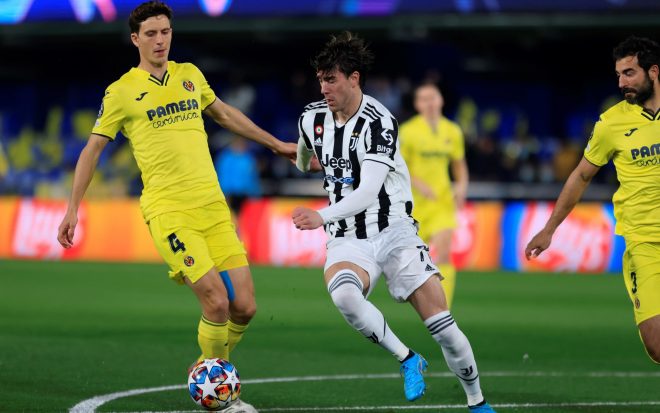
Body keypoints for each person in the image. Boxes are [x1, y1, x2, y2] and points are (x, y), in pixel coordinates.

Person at [56, 2, 296, 412]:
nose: (160, 40)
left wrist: (276, 144)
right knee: (216, 301)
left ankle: (205, 366)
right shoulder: (121, 92)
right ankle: (220, 396)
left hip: (213, 206)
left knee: (245, 306)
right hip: (170, 211)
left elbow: (223, 114)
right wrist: (72, 208)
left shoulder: (190, 75)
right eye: (150, 33)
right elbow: (92, 150)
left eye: (165, 32)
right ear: (135, 39)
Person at [291, 31, 496, 412]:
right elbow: (304, 157)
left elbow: (369, 190)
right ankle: (407, 358)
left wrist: (320, 215)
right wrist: (307, 161)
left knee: (443, 328)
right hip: (348, 236)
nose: (324, 88)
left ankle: (477, 400)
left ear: (354, 78)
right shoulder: (311, 118)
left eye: (331, 79)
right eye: (320, 79)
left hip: (393, 229)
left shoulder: (379, 122)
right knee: (345, 296)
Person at [525, 35, 660, 364]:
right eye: (618, 75)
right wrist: (549, 229)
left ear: (653, 72)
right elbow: (581, 176)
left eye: (629, 73)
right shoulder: (611, 123)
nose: (621, 82)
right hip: (644, 243)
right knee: (656, 344)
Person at [399, 83, 469, 308]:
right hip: (413, 206)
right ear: (417, 104)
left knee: (444, 255)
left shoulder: (453, 131)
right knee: (412, 262)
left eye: (433, 97)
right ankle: (421, 301)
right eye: (424, 98)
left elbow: (459, 165)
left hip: (442, 203)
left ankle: (443, 307)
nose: (429, 102)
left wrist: (462, 187)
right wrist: (419, 184)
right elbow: (399, 167)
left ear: (441, 100)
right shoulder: (407, 131)